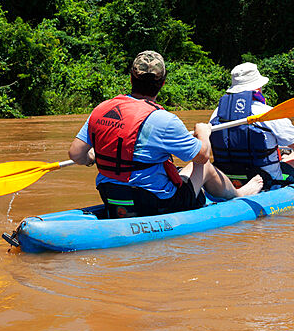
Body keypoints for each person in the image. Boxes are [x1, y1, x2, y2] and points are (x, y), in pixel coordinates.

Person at [69, 50, 263, 218]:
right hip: (153, 203)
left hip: (112, 196)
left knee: (175, 170)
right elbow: (202, 157)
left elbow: (76, 155)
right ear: (162, 83)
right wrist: (203, 132)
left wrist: (92, 156)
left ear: (131, 79)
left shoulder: (101, 109)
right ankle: (239, 194)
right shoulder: (164, 120)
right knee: (204, 169)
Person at [208, 62, 294, 189]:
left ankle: (288, 157)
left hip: (227, 180)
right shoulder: (268, 113)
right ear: (258, 88)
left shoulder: (217, 114)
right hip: (267, 181)